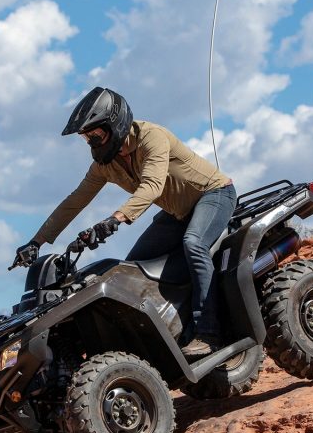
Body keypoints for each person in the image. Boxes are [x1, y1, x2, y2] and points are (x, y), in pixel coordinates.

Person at [12, 87, 236, 358]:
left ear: (114, 123)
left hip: (213, 194)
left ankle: (209, 333)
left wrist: (114, 220)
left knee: (194, 244)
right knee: (130, 268)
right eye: (86, 138)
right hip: (177, 213)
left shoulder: (152, 137)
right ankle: (170, 331)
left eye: (95, 135)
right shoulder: (106, 165)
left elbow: (152, 186)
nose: (91, 143)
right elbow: (75, 201)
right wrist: (36, 241)